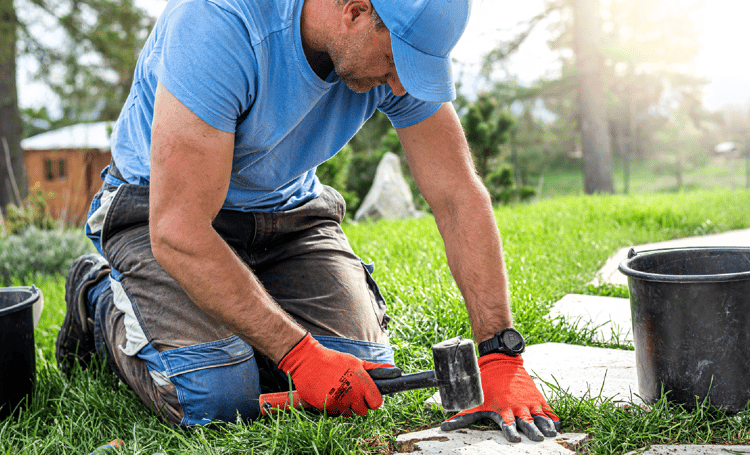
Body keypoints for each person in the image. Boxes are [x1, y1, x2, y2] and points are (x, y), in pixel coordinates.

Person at [55, 0, 560, 443]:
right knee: (213, 399)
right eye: (395, 61)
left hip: (288, 216)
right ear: (357, 10)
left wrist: (500, 353)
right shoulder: (219, 22)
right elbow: (179, 230)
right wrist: (300, 355)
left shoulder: (391, 45)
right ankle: (98, 297)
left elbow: (456, 195)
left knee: (365, 376)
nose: (403, 82)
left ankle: (241, 326)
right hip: (160, 212)